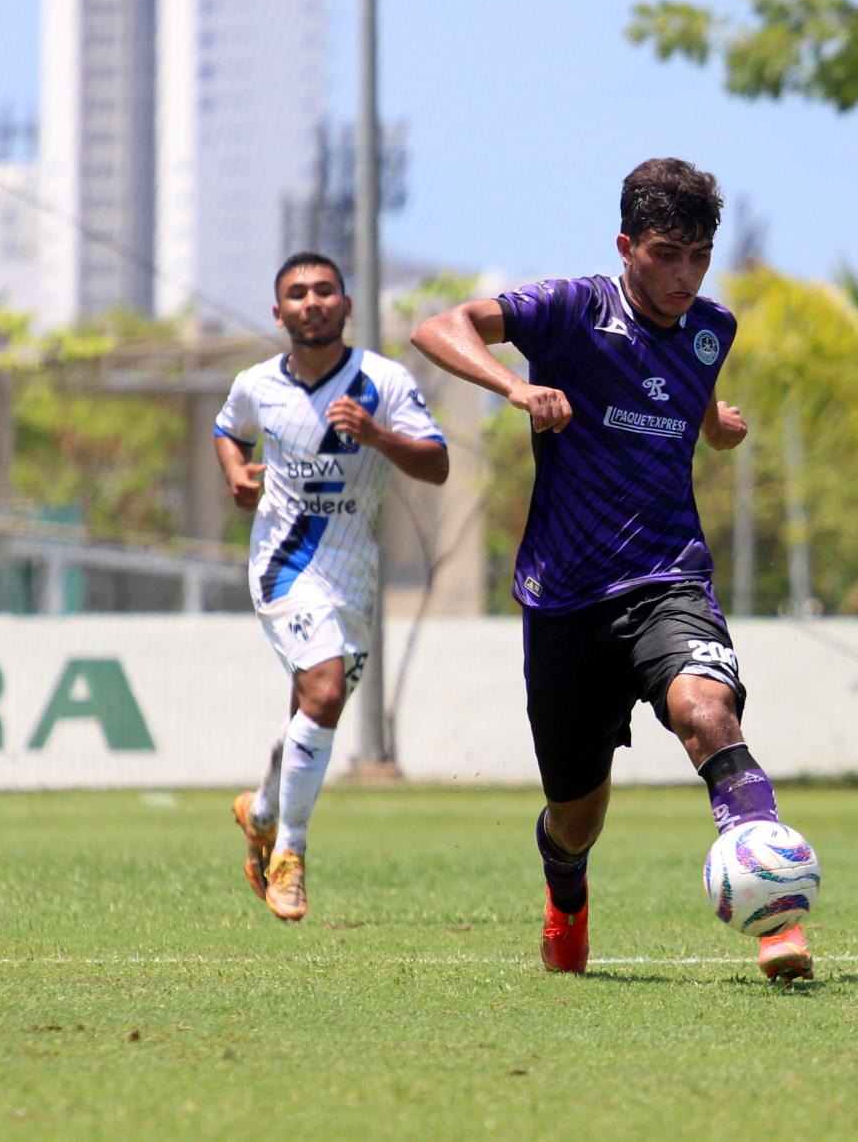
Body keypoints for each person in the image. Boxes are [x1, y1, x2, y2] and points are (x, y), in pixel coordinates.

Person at [409, 157, 814, 985]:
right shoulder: (570, 309)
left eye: (699, 256)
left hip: (667, 579)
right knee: (574, 818)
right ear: (627, 245)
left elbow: (681, 388)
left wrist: (714, 423)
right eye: (666, 253)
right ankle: (566, 890)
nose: (683, 275)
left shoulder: (712, 329)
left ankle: (777, 915)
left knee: (708, 710)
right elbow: (435, 327)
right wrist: (515, 389)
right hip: (564, 601)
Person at [214, 251, 449, 922]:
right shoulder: (257, 383)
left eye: (324, 291)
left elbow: (436, 464)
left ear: (345, 306)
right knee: (321, 691)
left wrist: (375, 434)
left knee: (309, 710)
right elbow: (228, 430)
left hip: (354, 574)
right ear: (278, 311)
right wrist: (236, 472)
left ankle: (260, 811)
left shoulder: (385, 380)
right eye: (297, 292)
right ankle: (289, 852)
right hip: (283, 564)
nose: (311, 301)